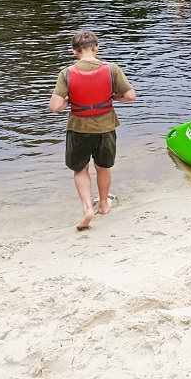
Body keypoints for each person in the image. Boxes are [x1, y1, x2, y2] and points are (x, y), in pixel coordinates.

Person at [49, 31, 136, 231]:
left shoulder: (66, 73)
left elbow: (54, 107)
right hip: (106, 127)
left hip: (79, 128)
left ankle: (88, 208)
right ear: (96, 48)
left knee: (80, 169)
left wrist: (68, 101)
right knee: (103, 166)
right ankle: (104, 205)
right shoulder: (112, 69)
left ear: (74, 51)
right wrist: (113, 97)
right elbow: (130, 96)